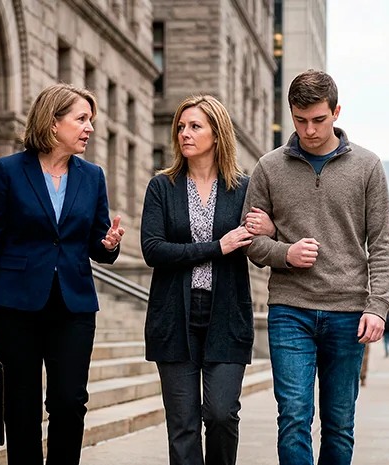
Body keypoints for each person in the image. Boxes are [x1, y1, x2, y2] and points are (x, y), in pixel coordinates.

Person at [241, 69, 389, 465]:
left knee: (339, 422)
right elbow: (251, 240)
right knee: (293, 417)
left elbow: (381, 242)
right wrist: (285, 254)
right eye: (300, 120)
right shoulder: (269, 167)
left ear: (336, 112)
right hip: (290, 310)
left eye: (319, 120)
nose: (309, 130)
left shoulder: (368, 166)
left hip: (348, 312)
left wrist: (377, 307)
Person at [0, 83, 125, 464]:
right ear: (53, 123)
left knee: (70, 402)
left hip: (73, 307)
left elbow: (95, 245)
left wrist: (109, 244)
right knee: (20, 407)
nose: (89, 128)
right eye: (81, 119)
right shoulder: (7, 171)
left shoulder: (93, 176)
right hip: (15, 307)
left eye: (91, 120)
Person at [140, 95, 275, 465]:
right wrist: (217, 246)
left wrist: (270, 229)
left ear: (217, 134)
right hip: (173, 316)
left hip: (227, 315)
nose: (185, 133)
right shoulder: (162, 187)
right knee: (182, 424)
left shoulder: (243, 189)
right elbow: (153, 249)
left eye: (195, 126)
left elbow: (260, 249)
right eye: (181, 127)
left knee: (220, 415)